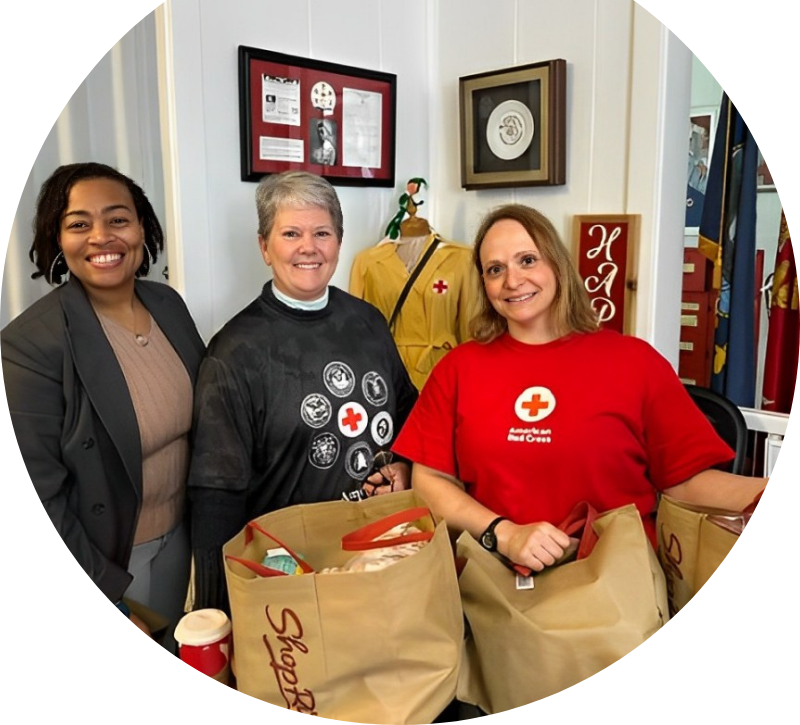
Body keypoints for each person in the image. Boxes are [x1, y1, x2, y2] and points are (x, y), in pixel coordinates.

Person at [392, 203, 768, 573]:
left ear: (558, 264)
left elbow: (684, 482)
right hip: (492, 584)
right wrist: (503, 534)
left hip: (612, 588)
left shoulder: (635, 362)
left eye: (527, 260)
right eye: (495, 269)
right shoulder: (458, 368)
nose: (512, 280)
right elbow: (430, 482)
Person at [188, 170, 418, 611]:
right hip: (290, 568)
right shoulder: (235, 351)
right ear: (264, 247)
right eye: (290, 233)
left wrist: (404, 466)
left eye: (322, 233)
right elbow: (217, 493)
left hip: (377, 548)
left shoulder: (367, 321)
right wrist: (216, 612)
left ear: (338, 240)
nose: (308, 247)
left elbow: (408, 410)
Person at [1, 162, 205, 650]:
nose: (101, 236)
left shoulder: (168, 305)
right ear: (57, 238)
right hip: (107, 558)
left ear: (142, 228)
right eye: (78, 224)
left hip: (181, 537)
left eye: (118, 219)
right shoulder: (30, 346)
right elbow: (41, 495)